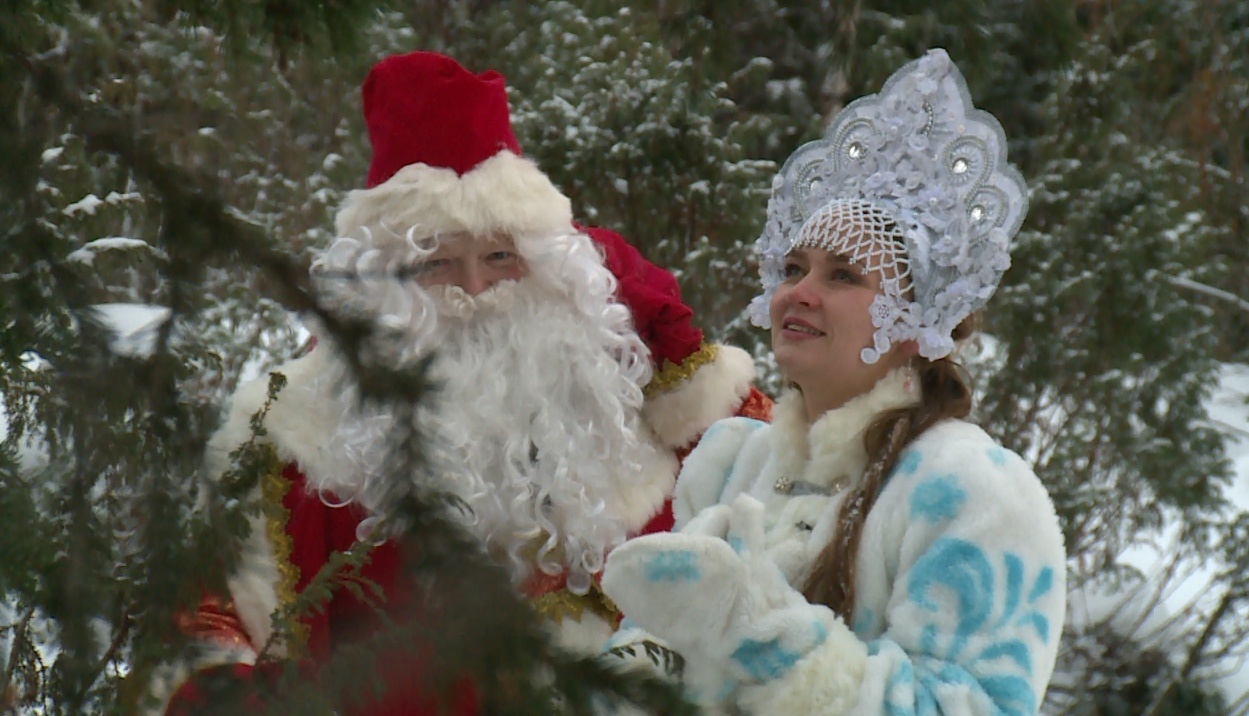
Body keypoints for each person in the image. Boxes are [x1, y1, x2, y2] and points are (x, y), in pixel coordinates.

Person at [158, 51, 771, 715]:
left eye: (500, 256)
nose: (476, 289)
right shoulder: (287, 431)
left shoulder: (635, 393)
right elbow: (208, 630)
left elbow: (789, 509)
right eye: (438, 263)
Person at [598, 48, 1066, 715]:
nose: (799, 293)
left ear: (918, 323)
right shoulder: (733, 460)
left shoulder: (974, 492)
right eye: (793, 269)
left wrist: (761, 632)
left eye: (843, 276)